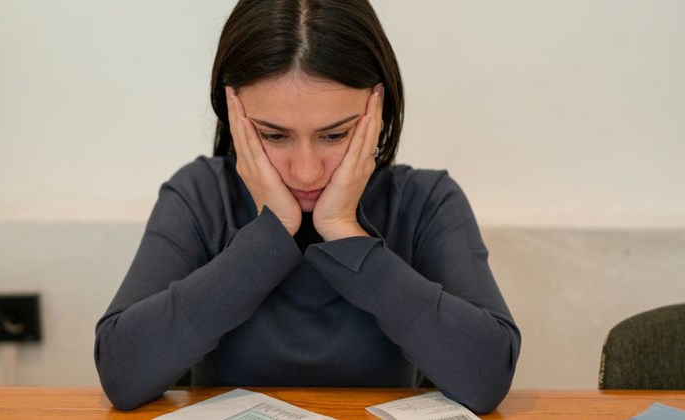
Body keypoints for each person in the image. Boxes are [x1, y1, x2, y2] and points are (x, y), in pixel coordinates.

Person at [94, 0, 520, 413]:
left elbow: (485, 377)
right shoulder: (201, 193)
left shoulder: (425, 200)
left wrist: (343, 230)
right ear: (232, 115)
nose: (306, 172)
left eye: (335, 135)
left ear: (379, 111)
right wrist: (271, 232)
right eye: (273, 136)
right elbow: (123, 373)